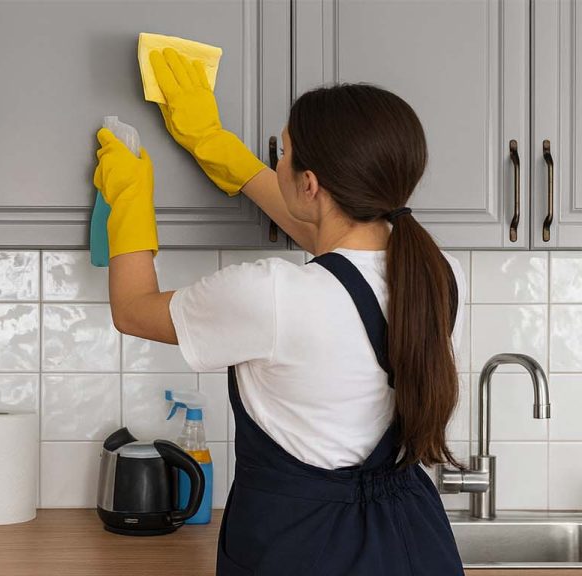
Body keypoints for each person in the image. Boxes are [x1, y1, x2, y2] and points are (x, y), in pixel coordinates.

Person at [92, 47, 467, 575]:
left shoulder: (271, 294)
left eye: (283, 155)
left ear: (309, 183)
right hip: (413, 541)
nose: (277, 163)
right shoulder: (438, 274)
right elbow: (332, 236)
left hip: (300, 548)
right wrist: (213, 144)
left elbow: (132, 311)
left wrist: (129, 197)